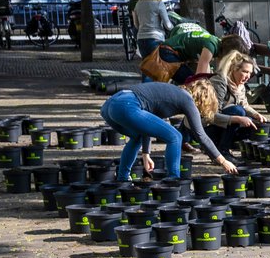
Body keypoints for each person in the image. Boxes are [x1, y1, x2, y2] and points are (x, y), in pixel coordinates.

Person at [100, 78, 238, 182]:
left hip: (110, 106)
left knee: (136, 137)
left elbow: (146, 127)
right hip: (127, 105)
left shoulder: (173, 93)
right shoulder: (187, 100)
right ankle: (174, 179)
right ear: (204, 99)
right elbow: (201, 135)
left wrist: (146, 154)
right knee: (175, 136)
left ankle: (123, 179)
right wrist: (223, 161)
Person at [208, 51, 267, 160]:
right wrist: (237, 119)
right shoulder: (219, 82)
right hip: (206, 126)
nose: (248, 76)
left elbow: (244, 104)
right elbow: (210, 115)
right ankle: (222, 150)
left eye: (250, 73)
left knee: (251, 123)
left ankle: (229, 145)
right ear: (233, 69)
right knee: (239, 112)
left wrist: (256, 114)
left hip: (223, 121)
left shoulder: (240, 85)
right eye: (245, 72)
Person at [160, 22, 247, 84]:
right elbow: (199, 76)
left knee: (190, 79)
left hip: (169, 51)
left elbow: (210, 70)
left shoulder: (215, 42)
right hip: (168, 52)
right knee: (190, 81)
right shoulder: (211, 46)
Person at [132, 0, 172, 79]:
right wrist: (174, 27)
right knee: (157, 69)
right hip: (155, 38)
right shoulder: (158, 4)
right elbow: (168, 25)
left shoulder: (138, 4)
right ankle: (157, 92)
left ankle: (144, 91)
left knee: (146, 68)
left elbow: (136, 24)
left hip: (141, 39)